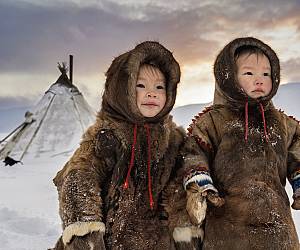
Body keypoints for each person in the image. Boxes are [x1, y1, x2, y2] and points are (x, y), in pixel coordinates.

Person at [51, 41, 201, 250]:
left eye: (160, 87)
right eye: (140, 86)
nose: (152, 93)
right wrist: (87, 237)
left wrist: (186, 236)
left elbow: (178, 190)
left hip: (158, 242)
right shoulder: (106, 137)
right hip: (110, 242)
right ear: (121, 90)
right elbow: (79, 179)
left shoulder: (174, 140)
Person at [183, 37, 300, 249]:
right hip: (228, 227)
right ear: (228, 77)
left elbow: (297, 152)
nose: (260, 80)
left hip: (277, 228)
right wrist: (200, 182)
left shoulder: (282, 124)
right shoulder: (214, 121)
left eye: (266, 74)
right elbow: (193, 152)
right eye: (249, 73)